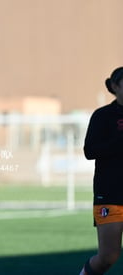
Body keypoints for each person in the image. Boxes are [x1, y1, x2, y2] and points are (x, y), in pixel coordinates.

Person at [80, 67, 123, 275]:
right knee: (108, 256)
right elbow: (90, 151)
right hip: (111, 194)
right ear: (115, 86)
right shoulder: (103, 116)